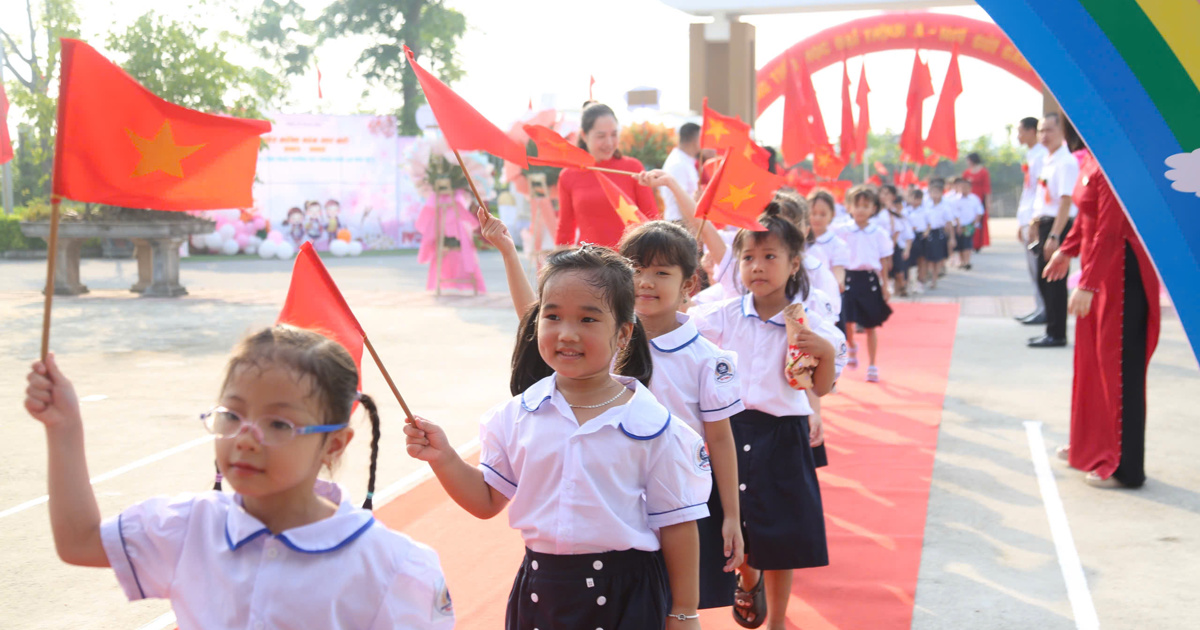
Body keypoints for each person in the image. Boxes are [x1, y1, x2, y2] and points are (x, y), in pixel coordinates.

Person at [23, 327, 454, 628]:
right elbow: (78, 541)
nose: (245, 439)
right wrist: (64, 429)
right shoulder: (187, 528)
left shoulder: (390, 567)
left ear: (335, 444)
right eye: (232, 415)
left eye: (279, 425)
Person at [404, 245, 711, 630]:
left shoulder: (654, 427)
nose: (567, 333)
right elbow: (486, 501)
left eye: (587, 319)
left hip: (627, 594)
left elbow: (678, 524)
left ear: (623, 333)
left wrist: (684, 612)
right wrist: (444, 457)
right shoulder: (516, 417)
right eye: (552, 316)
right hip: (541, 591)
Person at [689, 206, 841, 630]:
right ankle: (747, 577)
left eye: (770, 256)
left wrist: (824, 351)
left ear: (794, 263)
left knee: (780, 538)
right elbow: (682, 336)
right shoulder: (723, 314)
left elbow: (822, 386)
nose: (757, 266)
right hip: (729, 434)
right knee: (730, 526)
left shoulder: (809, 320)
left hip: (783, 437)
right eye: (748, 257)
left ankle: (776, 622)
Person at [617, 221, 747, 610]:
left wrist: (731, 517)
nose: (645, 282)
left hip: (681, 501)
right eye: (636, 270)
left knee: (678, 605)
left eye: (661, 273)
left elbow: (720, 439)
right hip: (617, 495)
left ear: (689, 285)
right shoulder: (605, 344)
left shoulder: (706, 358)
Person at [1043, 145, 1161, 488]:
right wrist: (1067, 251)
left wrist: (1089, 284)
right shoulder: (1092, 156)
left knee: (1118, 368)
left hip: (1121, 272)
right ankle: (1090, 446)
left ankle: (1124, 467)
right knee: (1092, 363)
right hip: (1099, 269)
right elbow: (1085, 216)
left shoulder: (1118, 158)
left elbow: (1111, 228)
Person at [555, 104, 659, 249]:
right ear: (584, 135)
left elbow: (652, 219)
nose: (609, 142)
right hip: (590, 263)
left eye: (614, 134)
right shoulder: (568, 175)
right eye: (601, 136)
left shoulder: (633, 168)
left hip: (630, 262)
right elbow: (565, 230)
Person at [1028, 112, 1079, 348]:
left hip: (1058, 225)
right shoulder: (1048, 160)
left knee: (1054, 281)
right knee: (1044, 278)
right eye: (1041, 130)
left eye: (1049, 130)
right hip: (1044, 224)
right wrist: (1034, 225)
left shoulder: (1066, 161)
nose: (1044, 135)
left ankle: (1057, 333)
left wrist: (1055, 236)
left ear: (1062, 132)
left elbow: (1066, 202)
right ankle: (1051, 328)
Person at [836, 186, 895, 382]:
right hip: (849, 279)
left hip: (870, 280)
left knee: (871, 326)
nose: (860, 210)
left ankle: (872, 364)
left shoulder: (878, 232)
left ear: (873, 209)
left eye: (865, 206)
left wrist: (885, 286)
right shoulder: (842, 231)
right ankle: (851, 344)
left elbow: (885, 260)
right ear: (849, 207)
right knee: (848, 321)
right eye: (857, 205)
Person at [1016, 116, 1049, 325]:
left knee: (1039, 268)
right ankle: (1040, 307)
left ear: (1030, 130)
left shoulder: (1041, 155)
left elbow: (1040, 192)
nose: (1018, 135)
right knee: (1032, 268)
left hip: (1035, 220)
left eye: (1020, 131)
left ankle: (1045, 309)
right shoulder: (1032, 154)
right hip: (1028, 219)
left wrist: (1033, 221)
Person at [807, 190, 849, 294]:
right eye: (813, 213)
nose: (817, 218)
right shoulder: (798, 241)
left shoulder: (837, 244)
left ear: (832, 214)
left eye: (823, 214)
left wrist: (839, 281)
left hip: (826, 293)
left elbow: (838, 267)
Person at [661, 123, 702, 221]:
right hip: (680, 222)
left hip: (686, 221)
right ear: (695, 140)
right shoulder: (678, 163)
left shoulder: (685, 160)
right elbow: (680, 200)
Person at [953, 177, 984, 271]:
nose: (964, 190)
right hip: (958, 225)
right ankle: (962, 261)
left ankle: (967, 261)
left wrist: (974, 223)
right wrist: (958, 225)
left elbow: (979, 211)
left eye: (966, 187)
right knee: (960, 244)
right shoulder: (955, 200)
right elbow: (954, 213)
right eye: (962, 187)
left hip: (969, 225)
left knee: (967, 244)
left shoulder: (974, 199)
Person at [963, 152, 992, 251]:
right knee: (968, 219)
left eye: (968, 160)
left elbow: (987, 188)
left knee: (979, 222)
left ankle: (978, 244)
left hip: (980, 200)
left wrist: (987, 202)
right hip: (968, 200)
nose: (967, 162)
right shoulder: (966, 173)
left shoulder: (983, 171)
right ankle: (968, 242)